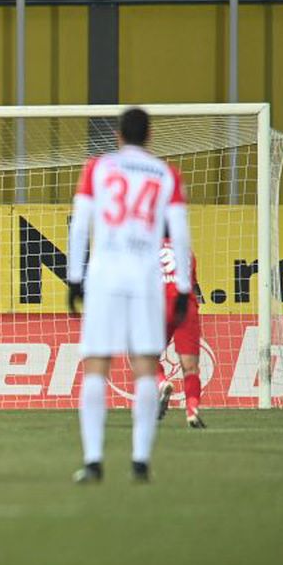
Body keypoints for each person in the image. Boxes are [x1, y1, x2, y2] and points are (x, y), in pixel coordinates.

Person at [67, 107, 192, 484]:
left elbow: (80, 224)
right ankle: (139, 462)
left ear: (118, 136)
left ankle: (93, 461)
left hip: (105, 276)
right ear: (149, 135)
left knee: (96, 366)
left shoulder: (97, 168)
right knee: (145, 368)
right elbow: (181, 233)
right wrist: (183, 285)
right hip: (145, 277)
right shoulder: (166, 173)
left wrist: (75, 278)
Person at [157, 235, 206, 429]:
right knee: (190, 367)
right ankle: (192, 410)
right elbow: (192, 283)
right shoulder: (187, 252)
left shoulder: (147, 246)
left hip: (160, 303)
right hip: (186, 306)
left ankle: (161, 382)